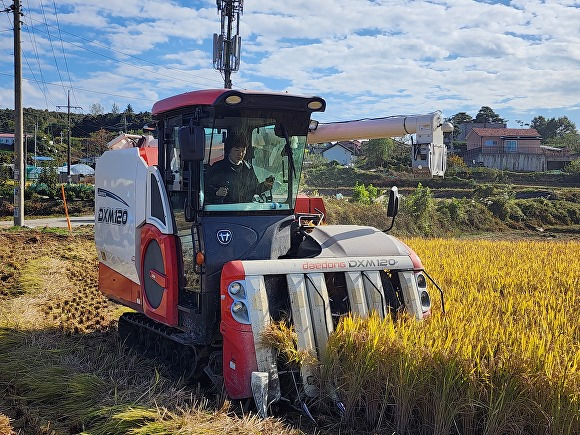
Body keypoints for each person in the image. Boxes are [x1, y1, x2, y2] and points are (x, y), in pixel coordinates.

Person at [206, 134, 275, 203]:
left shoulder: (248, 168)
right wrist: (216, 192)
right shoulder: (218, 167)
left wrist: (265, 185)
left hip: (244, 208)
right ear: (229, 150)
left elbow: (254, 189)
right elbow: (205, 190)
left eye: (243, 151)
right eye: (237, 150)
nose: (240, 154)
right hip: (224, 209)